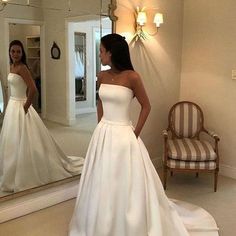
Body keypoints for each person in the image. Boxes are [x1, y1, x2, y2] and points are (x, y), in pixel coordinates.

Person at [69, 34, 219, 236]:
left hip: (124, 134)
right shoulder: (101, 76)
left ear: (111, 53)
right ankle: (100, 221)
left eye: (101, 51)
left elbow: (146, 106)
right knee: (100, 178)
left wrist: (135, 132)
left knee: (124, 181)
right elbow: (100, 103)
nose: (99, 54)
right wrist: (100, 126)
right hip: (103, 133)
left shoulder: (132, 77)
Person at [0, 40, 84, 192]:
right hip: (12, 106)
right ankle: (11, 171)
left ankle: (25, 172)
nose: (15, 54)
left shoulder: (23, 68)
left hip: (20, 106)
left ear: (22, 53)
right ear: (9, 52)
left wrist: (25, 107)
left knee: (25, 140)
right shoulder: (12, 67)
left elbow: (32, 89)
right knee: (13, 141)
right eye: (13, 51)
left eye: (18, 51)